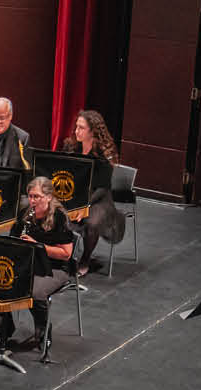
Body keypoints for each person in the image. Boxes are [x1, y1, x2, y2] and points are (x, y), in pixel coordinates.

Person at [0, 177, 77, 350]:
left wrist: (37, 246)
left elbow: (66, 254)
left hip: (55, 268)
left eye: (36, 197)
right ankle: (3, 330)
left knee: (35, 291)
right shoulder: (25, 213)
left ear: (49, 197)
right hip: (27, 264)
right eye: (30, 196)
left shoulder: (59, 217)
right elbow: (12, 240)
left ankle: (43, 329)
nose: (32, 201)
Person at [60, 109, 125, 274]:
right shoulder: (71, 146)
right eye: (76, 127)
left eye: (81, 128)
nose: (76, 131)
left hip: (99, 198)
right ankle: (62, 256)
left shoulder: (104, 152)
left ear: (92, 131)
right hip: (75, 194)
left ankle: (85, 260)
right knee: (56, 213)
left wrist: (84, 206)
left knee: (92, 222)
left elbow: (102, 187)